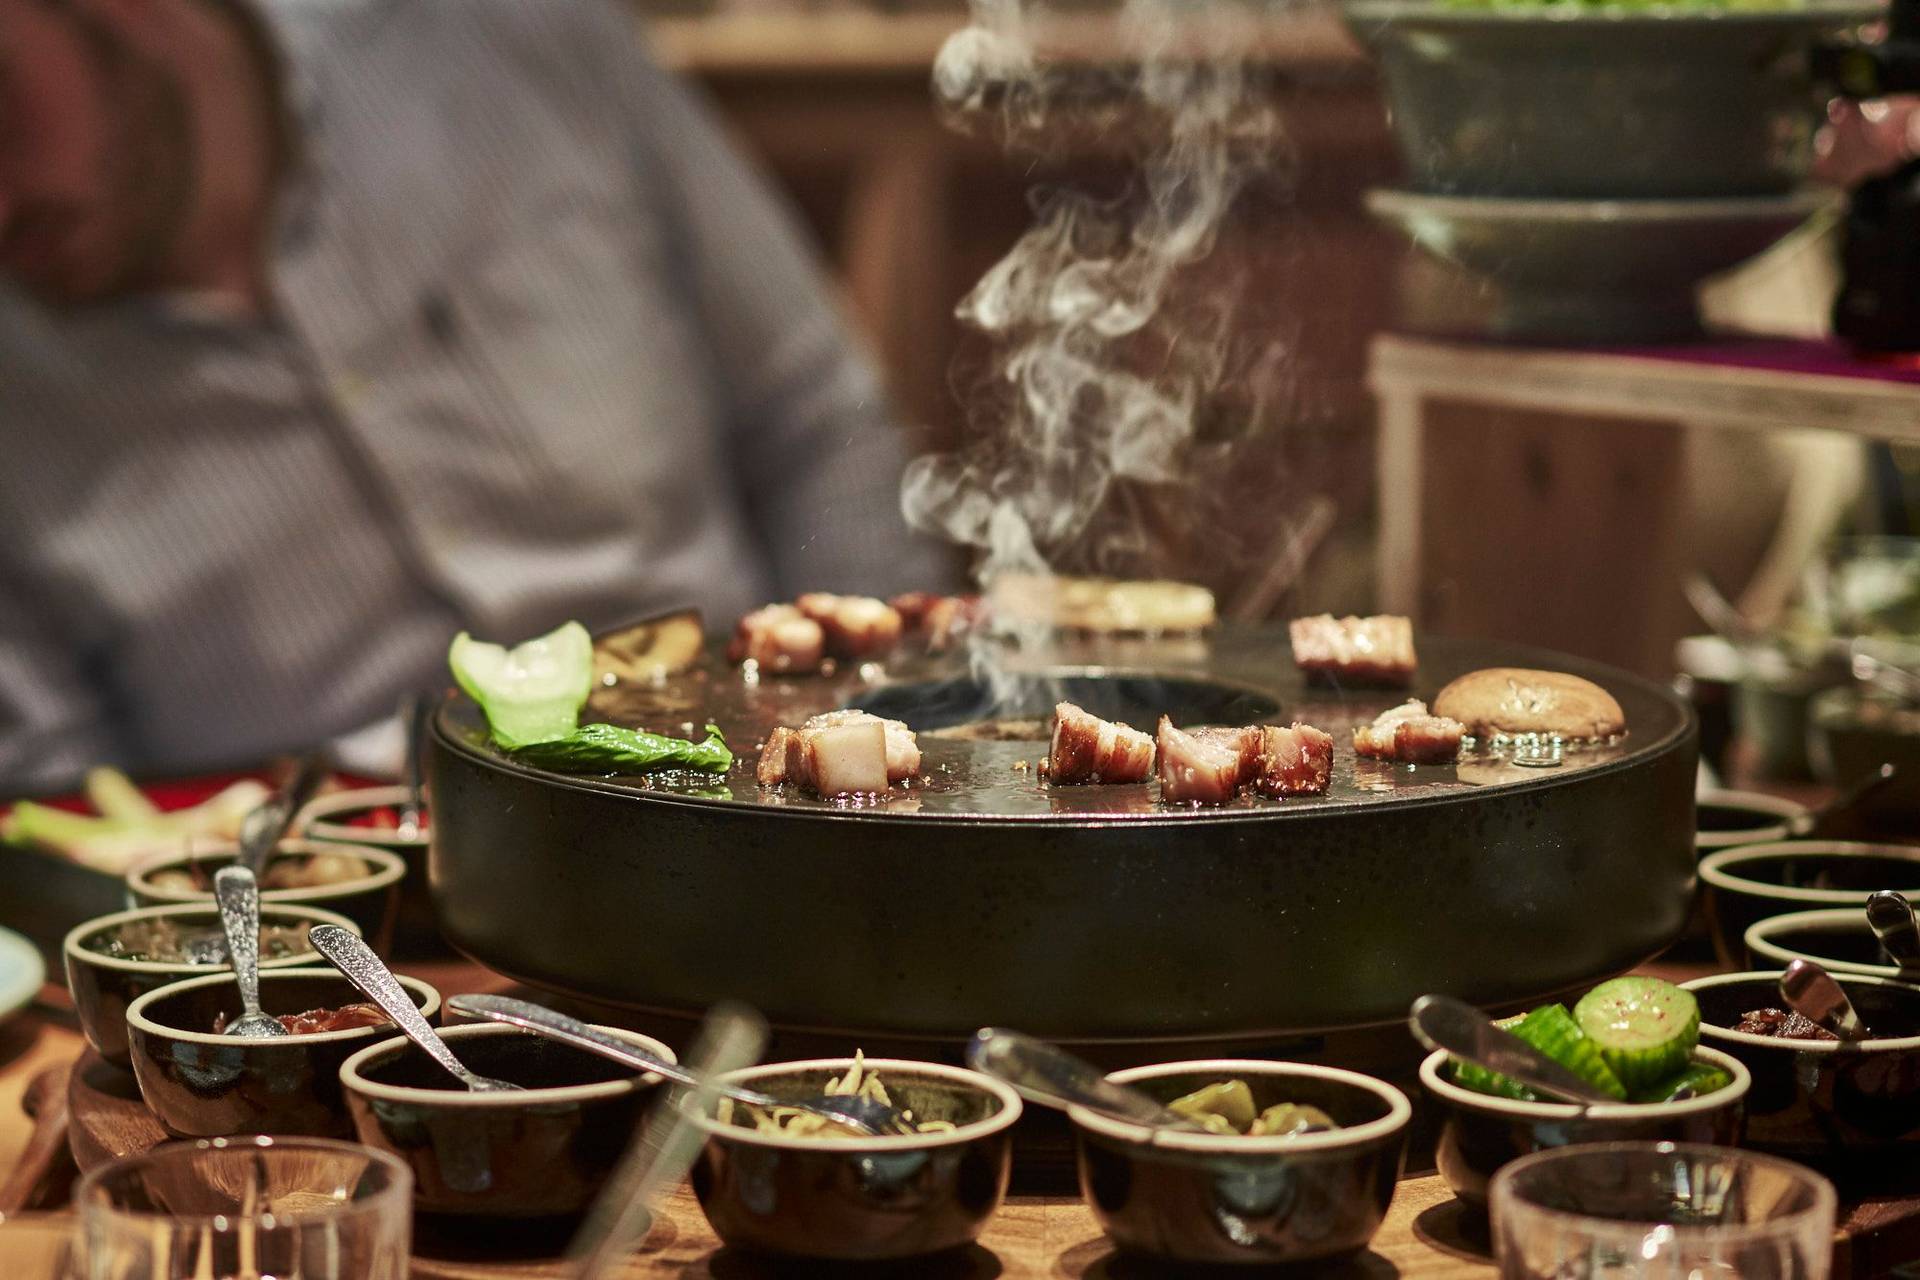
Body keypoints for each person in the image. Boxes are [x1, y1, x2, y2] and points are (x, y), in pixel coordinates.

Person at [0, 0, 948, 790]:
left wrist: (877, 736)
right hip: (312, 920)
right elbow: (56, 790)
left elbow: (815, 422)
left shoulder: (509, 38)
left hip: (737, 794)